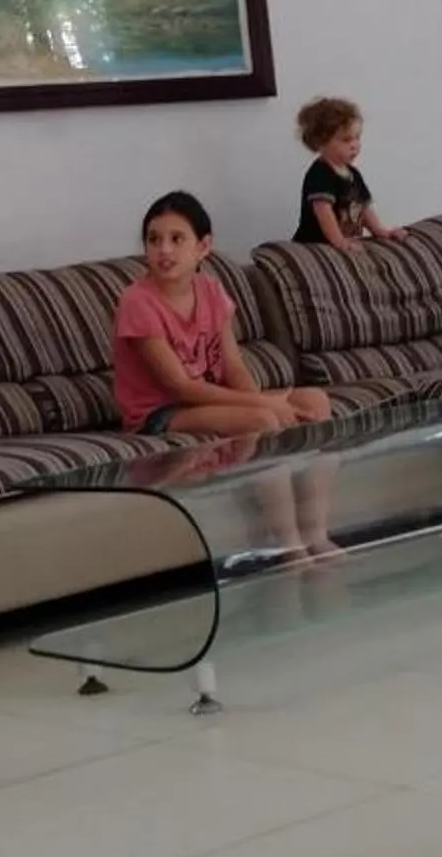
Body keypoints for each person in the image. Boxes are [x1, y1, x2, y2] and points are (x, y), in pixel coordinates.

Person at [115, 191, 336, 560]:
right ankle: (288, 546)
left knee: (315, 401)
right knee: (263, 418)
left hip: (209, 396)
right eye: (154, 240)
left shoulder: (211, 290)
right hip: (161, 412)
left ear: (203, 247)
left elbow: (232, 367)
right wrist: (264, 405)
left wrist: (267, 402)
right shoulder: (137, 301)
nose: (164, 251)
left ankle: (317, 535)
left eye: (176, 239)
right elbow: (179, 386)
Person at [293, 97, 397, 248]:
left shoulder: (353, 173)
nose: (355, 145)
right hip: (316, 245)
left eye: (357, 138)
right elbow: (323, 212)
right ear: (320, 142)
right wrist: (339, 240)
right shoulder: (320, 174)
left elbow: (364, 206)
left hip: (346, 240)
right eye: (346, 140)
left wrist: (379, 230)